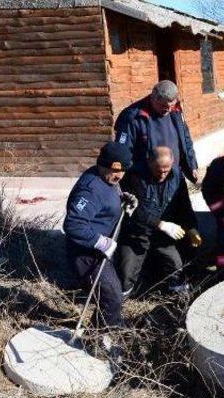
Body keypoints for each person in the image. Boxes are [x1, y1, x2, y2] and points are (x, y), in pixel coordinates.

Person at [63, 143, 136, 329]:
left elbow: (107, 197)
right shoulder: (91, 190)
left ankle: (108, 327)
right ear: (102, 164)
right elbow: (73, 225)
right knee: (112, 298)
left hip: (98, 250)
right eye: (114, 171)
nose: (119, 176)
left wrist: (123, 199)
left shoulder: (108, 180)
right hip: (86, 254)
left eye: (123, 171)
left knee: (110, 296)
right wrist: (102, 243)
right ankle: (99, 339)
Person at [117, 146, 202, 295]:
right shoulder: (133, 175)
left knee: (176, 265)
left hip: (163, 236)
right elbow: (132, 211)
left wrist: (191, 227)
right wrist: (159, 224)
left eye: (166, 170)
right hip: (137, 234)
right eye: (159, 170)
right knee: (126, 275)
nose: (163, 174)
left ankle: (176, 295)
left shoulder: (177, 176)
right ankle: (122, 300)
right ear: (149, 162)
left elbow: (184, 205)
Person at [113, 80, 199, 184]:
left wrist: (192, 165)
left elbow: (186, 140)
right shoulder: (133, 117)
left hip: (175, 177)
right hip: (147, 182)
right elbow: (122, 152)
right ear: (153, 98)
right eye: (164, 106)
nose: (168, 110)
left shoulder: (176, 111)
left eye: (171, 106)